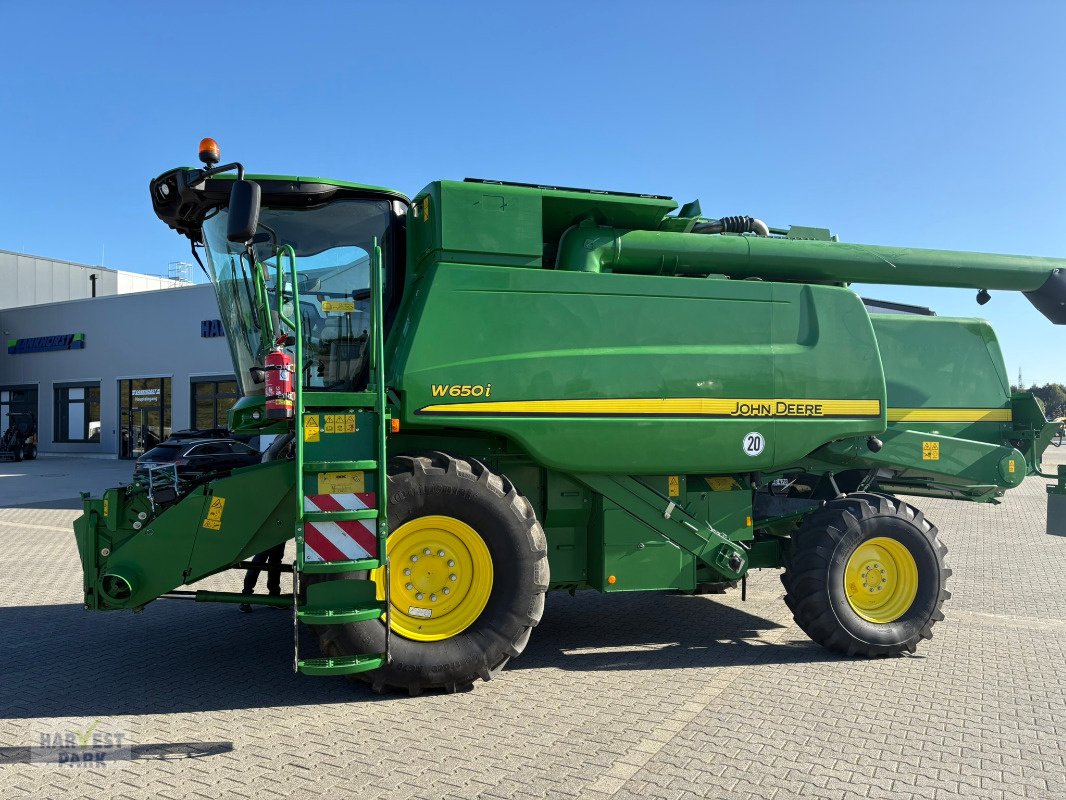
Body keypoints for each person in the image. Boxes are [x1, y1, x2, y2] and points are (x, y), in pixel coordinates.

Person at [239, 542, 286, 613]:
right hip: (269, 535)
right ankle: (246, 597)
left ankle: (273, 596)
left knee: (272, 564)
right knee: (260, 562)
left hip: (277, 536)